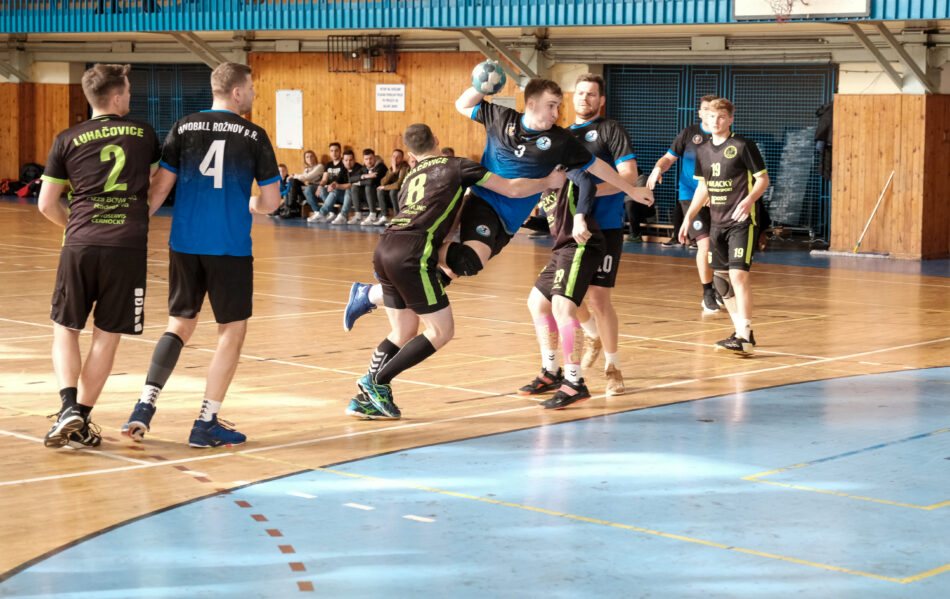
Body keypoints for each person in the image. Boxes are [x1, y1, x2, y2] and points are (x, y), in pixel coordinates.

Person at [342, 75, 653, 332]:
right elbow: (463, 104)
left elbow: (596, 167)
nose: (556, 113)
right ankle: (408, 261)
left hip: (509, 223)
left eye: (558, 106)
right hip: (483, 203)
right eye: (551, 105)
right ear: (531, 104)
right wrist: (480, 84)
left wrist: (630, 189)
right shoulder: (501, 118)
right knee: (467, 261)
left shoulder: (561, 140)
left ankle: (372, 293)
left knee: (453, 271)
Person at [346, 123, 566, 420]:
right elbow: (512, 188)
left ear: (411, 155)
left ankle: (364, 400)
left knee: (404, 331)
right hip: (413, 253)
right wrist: (548, 180)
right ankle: (377, 381)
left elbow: (433, 214)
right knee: (441, 330)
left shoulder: (410, 177)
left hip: (384, 247)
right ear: (437, 139)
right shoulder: (457, 165)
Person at [122, 62, 281, 447]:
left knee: (179, 324)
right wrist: (253, 204)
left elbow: (159, 190)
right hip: (229, 246)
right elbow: (272, 202)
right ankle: (206, 422)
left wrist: (128, 228)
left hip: (185, 244)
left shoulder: (183, 127)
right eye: (251, 87)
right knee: (232, 331)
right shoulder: (255, 135)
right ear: (237, 92)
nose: (254, 94)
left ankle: (144, 405)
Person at [37, 63, 161, 449]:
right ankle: (81, 417)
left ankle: (67, 408)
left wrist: (76, 227)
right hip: (127, 246)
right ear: (117, 96)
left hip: (80, 244)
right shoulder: (144, 134)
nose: (131, 96)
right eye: (129, 91)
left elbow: (46, 204)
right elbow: (154, 183)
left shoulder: (67, 138)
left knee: (66, 329)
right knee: (107, 337)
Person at [564, 73, 641, 397]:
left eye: (592, 94)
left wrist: (589, 191)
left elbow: (629, 176)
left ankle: (613, 367)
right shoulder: (563, 136)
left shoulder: (610, 130)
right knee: (564, 296)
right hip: (569, 228)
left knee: (598, 297)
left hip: (604, 226)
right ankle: (591, 334)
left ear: (601, 100)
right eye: (580, 93)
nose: (585, 98)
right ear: (573, 97)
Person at [679, 98, 769, 355]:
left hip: (741, 222)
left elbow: (763, 180)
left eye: (721, 117)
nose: (715, 121)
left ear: (730, 119)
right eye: (711, 116)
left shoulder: (742, 145)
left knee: (738, 275)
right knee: (720, 281)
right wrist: (688, 217)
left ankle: (744, 333)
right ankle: (742, 333)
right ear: (705, 119)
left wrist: (749, 200)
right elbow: (703, 187)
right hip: (716, 222)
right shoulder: (703, 150)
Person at [521, 169, 604, 409]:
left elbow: (588, 183)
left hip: (580, 244)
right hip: (561, 248)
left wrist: (580, 218)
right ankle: (551, 372)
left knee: (563, 308)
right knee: (537, 302)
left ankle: (574, 382)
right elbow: (553, 222)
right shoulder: (543, 181)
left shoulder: (566, 166)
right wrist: (528, 222)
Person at [648, 95, 721, 314]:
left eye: (713, 110)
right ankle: (707, 292)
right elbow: (668, 158)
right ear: (700, 113)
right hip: (690, 195)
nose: (709, 113)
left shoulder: (725, 137)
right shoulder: (689, 134)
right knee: (704, 244)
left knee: (718, 245)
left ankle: (720, 286)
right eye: (705, 109)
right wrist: (658, 169)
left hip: (718, 196)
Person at [309, 142, 347, 223]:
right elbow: (324, 179)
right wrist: (320, 186)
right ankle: (332, 213)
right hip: (330, 192)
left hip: (341, 192)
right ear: (329, 152)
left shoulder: (344, 163)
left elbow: (342, 181)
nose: (334, 153)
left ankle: (322, 213)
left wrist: (333, 186)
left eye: (336, 151)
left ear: (340, 152)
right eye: (332, 151)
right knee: (322, 189)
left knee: (334, 189)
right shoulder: (328, 165)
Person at [371, 148, 409, 226]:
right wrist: (393, 172)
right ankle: (385, 216)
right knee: (380, 191)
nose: (395, 159)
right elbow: (382, 182)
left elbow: (398, 185)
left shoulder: (405, 168)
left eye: (398, 157)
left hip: (403, 193)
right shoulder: (391, 168)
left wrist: (385, 187)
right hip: (393, 195)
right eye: (394, 156)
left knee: (393, 192)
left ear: (402, 159)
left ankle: (397, 217)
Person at [328, 150, 363, 225]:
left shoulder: (359, 168)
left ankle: (343, 215)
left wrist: (338, 186)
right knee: (328, 190)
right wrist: (332, 185)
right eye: (346, 160)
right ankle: (325, 213)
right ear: (343, 161)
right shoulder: (344, 168)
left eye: (350, 160)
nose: (348, 162)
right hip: (347, 197)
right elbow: (337, 180)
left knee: (348, 189)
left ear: (354, 160)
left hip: (358, 197)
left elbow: (351, 184)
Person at [355, 149, 389, 225]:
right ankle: (358, 215)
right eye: (366, 159)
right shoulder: (364, 168)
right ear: (363, 160)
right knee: (354, 187)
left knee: (368, 187)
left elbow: (371, 182)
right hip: (371, 195)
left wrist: (360, 182)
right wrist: (365, 176)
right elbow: (351, 179)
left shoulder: (381, 167)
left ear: (375, 158)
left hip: (383, 194)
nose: (369, 161)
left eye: (370, 158)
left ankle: (373, 215)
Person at [288, 149, 324, 218]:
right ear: (305, 159)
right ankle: (293, 206)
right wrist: (294, 177)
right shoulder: (306, 169)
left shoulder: (319, 166)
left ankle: (294, 207)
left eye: (311, 156)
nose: (309, 158)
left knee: (301, 183)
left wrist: (294, 175)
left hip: (317, 188)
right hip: (309, 188)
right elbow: (302, 180)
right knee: (294, 182)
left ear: (315, 157)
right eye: (307, 157)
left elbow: (306, 178)